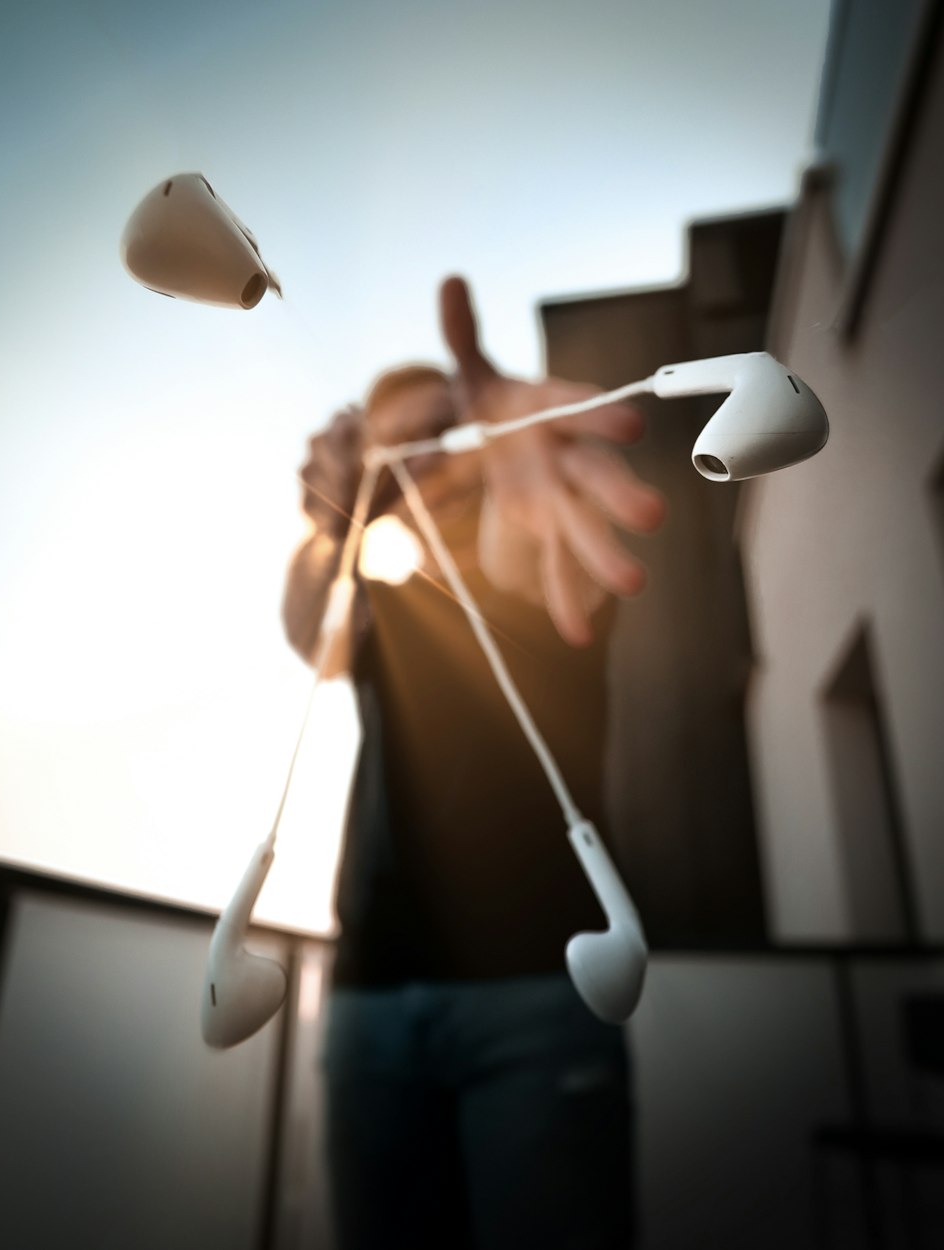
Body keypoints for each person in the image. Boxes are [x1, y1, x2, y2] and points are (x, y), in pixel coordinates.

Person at [282, 276, 665, 1250]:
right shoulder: (387, 593)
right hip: (369, 997)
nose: (419, 455)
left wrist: (514, 453)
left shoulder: (526, 543)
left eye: (440, 429)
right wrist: (333, 522)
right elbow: (305, 633)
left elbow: (529, 551)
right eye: (394, 439)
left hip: (537, 988)